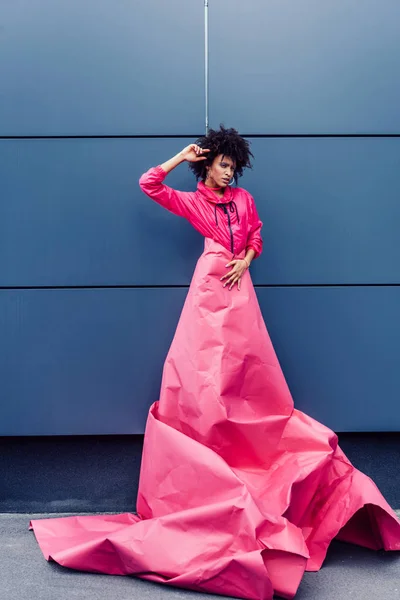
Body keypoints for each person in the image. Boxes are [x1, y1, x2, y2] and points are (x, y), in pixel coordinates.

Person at [30, 126, 400, 600]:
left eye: (232, 166)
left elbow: (257, 234)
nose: (228, 172)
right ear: (207, 165)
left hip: (238, 287)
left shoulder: (244, 199)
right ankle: (208, 459)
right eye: (221, 164)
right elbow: (148, 184)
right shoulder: (193, 201)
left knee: (249, 374)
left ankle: (246, 455)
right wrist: (179, 156)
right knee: (202, 374)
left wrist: (246, 259)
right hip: (208, 288)